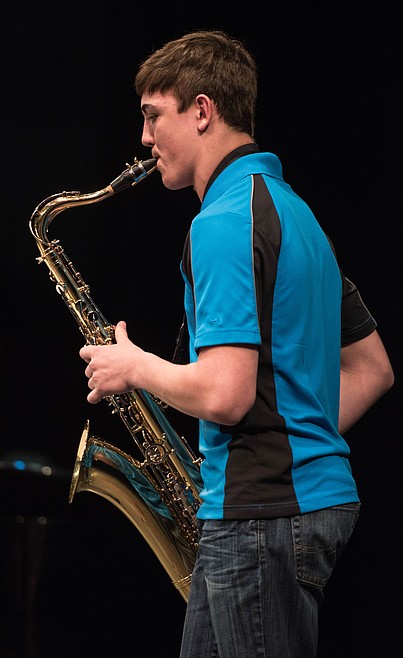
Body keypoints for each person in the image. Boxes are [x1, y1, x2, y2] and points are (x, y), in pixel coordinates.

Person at [79, 30, 394, 658]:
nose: (144, 137)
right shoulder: (297, 213)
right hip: (286, 510)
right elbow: (373, 368)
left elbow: (225, 394)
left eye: (153, 115)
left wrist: (134, 366)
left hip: (261, 520)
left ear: (202, 111)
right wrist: (294, 438)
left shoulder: (222, 223)